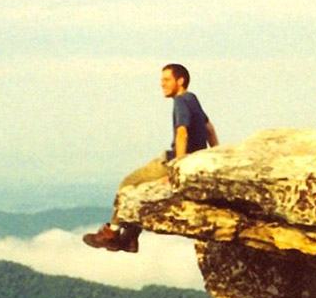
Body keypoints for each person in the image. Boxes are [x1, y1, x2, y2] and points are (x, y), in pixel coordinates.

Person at [83, 64, 219, 253]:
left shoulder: (180, 101)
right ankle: (130, 239)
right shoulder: (192, 98)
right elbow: (209, 128)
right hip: (194, 161)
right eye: (161, 79)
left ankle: (111, 235)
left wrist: (177, 170)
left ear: (180, 81)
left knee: (128, 183)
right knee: (140, 192)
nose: (162, 83)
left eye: (167, 79)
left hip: (173, 161)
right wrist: (216, 157)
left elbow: (182, 133)